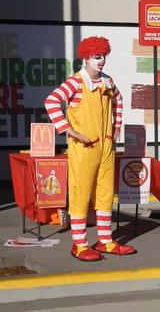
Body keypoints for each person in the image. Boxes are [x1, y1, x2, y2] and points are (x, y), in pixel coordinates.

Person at [45, 36, 136, 261]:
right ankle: (80, 244)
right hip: (83, 148)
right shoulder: (76, 82)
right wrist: (68, 130)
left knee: (105, 194)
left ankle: (105, 240)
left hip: (106, 147)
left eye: (104, 56)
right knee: (81, 193)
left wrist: (116, 130)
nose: (102, 60)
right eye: (97, 56)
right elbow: (51, 101)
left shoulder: (107, 81)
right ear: (86, 57)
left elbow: (120, 100)